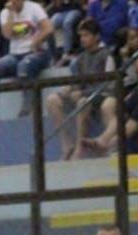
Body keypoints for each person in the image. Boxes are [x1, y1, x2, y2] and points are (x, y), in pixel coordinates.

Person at [48, 19, 118, 159]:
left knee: (82, 102)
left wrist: (82, 92)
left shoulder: (107, 55)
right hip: (82, 93)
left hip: (101, 94)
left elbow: (109, 84)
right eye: (80, 36)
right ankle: (67, 144)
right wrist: (68, 89)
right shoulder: (80, 58)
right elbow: (76, 81)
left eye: (86, 35)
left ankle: (80, 148)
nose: (82, 39)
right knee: (52, 99)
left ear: (96, 36)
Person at [0, 0, 53, 120]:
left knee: (23, 67)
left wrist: (36, 41)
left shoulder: (34, 7)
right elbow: (7, 34)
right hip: (15, 54)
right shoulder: (5, 13)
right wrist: (10, 13)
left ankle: (27, 110)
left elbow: (49, 28)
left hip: (37, 53)